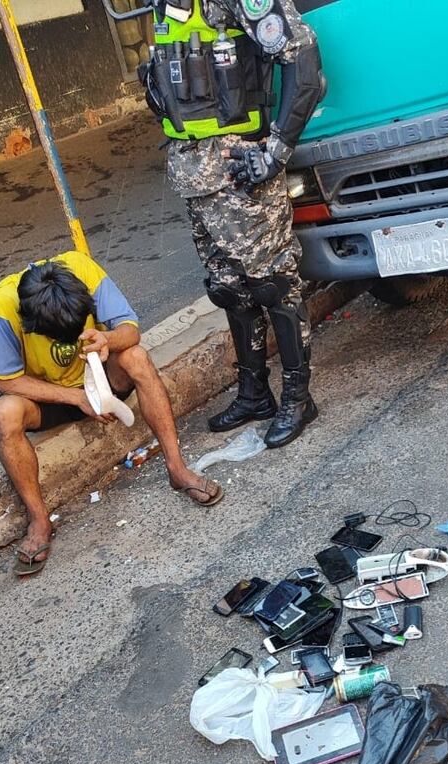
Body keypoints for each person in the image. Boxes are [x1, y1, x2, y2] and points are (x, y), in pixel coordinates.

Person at [138, 0, 324, 448]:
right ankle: (254, 392)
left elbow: (302, 58)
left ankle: (298, 398)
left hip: (240, 171)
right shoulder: (166, 6)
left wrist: (275, 151)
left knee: (274, 285)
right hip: (193, 173)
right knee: (228, 288)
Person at [0, 251, 223, 577]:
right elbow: (5, 380)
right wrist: (75, 397)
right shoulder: (0, 305)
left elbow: (131, 330)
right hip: (52, 398)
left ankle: (177, 469)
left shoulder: (82, 268)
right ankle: (39, 519)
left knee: (136, 356)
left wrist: (107, 338)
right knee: (4, 412)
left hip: (100, 379)